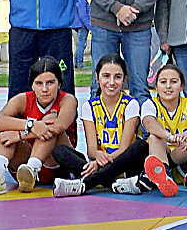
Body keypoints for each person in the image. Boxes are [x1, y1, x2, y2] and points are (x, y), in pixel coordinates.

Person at [53, 55, 146, 196]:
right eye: (106, 76)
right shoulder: (89, 107)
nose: (112, 82)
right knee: (59, 151)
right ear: (97, 77)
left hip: (124, 164)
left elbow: (124, 148)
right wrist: (97, 156)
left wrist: (98, 164)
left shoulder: (131, 104)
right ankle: (114, 184)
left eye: (118, 77)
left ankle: (84, 184)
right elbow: (91, 150)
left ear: (124, 79)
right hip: (99, 163)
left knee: (141, 146)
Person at [0, 56, 79, 194]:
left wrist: (20, 134)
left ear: (59, 84)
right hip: (23, 163)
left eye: (50, 82)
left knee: (50, 125)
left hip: (55, 163)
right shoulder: (23, 99)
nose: (44, 89)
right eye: (39, 83)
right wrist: (31, 124)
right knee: (5, 133)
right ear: (32, 85)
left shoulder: (68, 99)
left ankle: (32, 168)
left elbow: (60, 126)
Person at [139, 60, 187, 197]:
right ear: (156, 86)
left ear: (182, 86)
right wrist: (170, 137)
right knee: (155, 137)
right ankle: (164, 173)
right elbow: (149, 123)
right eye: (163, 82)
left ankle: (163, 171)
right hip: (163, 152)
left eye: (173, 82)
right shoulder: (150, 104)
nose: (168, 86)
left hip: (185, 155)